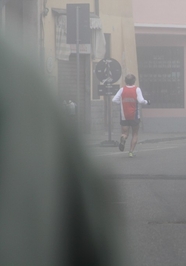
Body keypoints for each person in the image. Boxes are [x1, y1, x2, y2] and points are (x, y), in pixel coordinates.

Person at [0, 37, 128, 264]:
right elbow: (88, 223)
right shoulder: (15, 72)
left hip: (124, 115)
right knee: (131, 134)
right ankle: (128, 147)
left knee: (128, 133)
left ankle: (126, 143)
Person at [112, 74, 150, 158]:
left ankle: (123, 138)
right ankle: (131, 152)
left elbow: (114, 99)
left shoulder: (122, 89)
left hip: (124, 116)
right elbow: (141, 100)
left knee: (125, 133)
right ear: (134, 81)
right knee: (135, 134)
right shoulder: (137, 89)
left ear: (125, 81)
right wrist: (147, 102)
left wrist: (121, 103)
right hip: (134, 115)